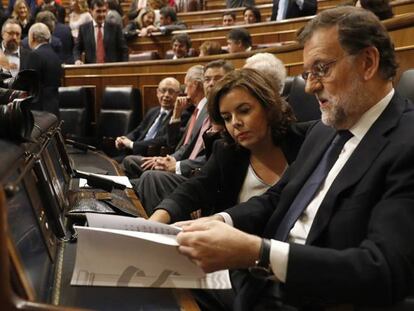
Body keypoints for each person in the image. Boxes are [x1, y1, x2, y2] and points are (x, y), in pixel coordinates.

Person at [176, 6, 414, 311]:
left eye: (321, 70)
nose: (311, 86)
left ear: (367, 63)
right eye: (306, 74)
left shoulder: (406, 142)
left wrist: (258, 252)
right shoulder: (324, 130)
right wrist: (221, 221)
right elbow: (278, 198)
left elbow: (381, 268)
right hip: (259, 282)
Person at [149, 68, 308, 224]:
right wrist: (157, 219)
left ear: (268, 106)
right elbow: (195, 188)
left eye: (244, 111)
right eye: (226, 117)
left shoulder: (305, 140)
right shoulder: (226, 150)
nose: (235, 123)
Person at [134, 60, 234, 215]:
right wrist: (171, 160)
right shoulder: (204, 111)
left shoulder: (226, 114)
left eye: (218, 79)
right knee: (134, 181)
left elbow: (213, 159)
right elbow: (184, 146)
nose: (211, 84)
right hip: (193, 171)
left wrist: (177, 165)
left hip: (202, 176)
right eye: (207, 80)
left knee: (149, 178)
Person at [115, 77, 185, 162]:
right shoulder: (153, 111)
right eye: (163, 91)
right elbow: (138, 130)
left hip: (152, 158)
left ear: (179, 95)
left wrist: (132, 144)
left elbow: (164, 140)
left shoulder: (181, 116)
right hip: (134, 153)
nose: (166, 95)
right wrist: (123, 139)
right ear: (157, 93)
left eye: (171, 92)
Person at [74, 0, 128, 64]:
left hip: (112, 69)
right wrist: (77, 59)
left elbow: (124, 50)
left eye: (104, 11)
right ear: (91, 11)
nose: (102, 14)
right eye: (98, 11)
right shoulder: (83, 29)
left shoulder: (115, 28)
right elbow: (77, 48)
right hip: (91, 69)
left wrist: (122, 67)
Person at [25, 22, 62, 118]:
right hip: (54, 107)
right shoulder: (55, 55)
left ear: (32, 37)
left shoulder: (35, 55)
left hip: (39, 110)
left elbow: (30, 86)